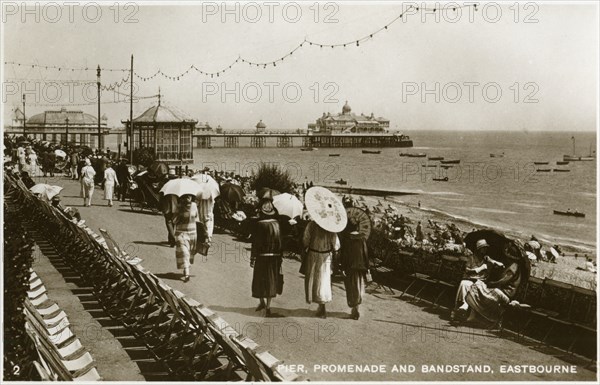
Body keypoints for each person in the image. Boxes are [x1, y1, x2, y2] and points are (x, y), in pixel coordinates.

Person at [452, 239, 504, 322]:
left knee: (473, 286)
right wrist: (479, 269)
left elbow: (495, 262)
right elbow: (467, 270)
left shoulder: (486, 258)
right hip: (470, 278)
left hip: (481, 281)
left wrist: (497, 263)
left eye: (486, 248)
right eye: (483, 248)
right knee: (464, 283)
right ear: (479, 249)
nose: (485, 250)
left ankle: (464, 307)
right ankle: (461, 306)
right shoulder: (471, 258)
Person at [250, 200, 283, 317]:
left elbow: (255, 243)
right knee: (271, 281)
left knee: (259, 280)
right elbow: (280, 243)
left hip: (262, 257)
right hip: (274, 257)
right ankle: (268, 306)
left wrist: (252, 258)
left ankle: (262, 302)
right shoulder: (277, 224)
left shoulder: (260, 225)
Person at [303, 220, 341, 318]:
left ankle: (318, 304)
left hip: (313, 254)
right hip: (325, 256)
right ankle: (322, 305)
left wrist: (307, 246)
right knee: (323, 280)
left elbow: (305, 239)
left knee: (313, 279)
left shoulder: (311, 225)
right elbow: (336, 245)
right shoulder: (331, 227)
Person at [340, 221, 369, 320]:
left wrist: (342, 267)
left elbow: (344, 255)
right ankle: (357, 307)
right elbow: (365, 254)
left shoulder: (347, 239)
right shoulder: (362, 239)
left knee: (351, 287)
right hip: (360, 267)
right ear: (357, 228)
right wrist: (367, 267)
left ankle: (354, 307)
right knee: (359, 287)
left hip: (350, 267)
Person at [173, 195, 198, 282]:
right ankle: (187, 274)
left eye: (189, 197)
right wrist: (180, 214)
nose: (187, 198)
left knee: (189, 253)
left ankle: (185, 267)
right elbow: (174, 220)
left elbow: (197, 218)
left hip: (192, 233)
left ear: (192, 198)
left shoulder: (194, 205)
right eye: (185, 197)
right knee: (184, 253)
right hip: (181, 233)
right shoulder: (179, 206)